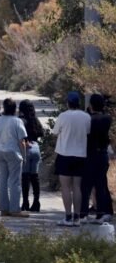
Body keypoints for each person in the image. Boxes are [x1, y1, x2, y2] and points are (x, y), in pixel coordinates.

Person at [54, 92, 91, 227]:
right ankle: (77, 217)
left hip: (64, 154)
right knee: (77, 186)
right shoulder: (86, 116)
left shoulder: (63, 116)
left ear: (68, 103)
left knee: (65, 187)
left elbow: (55, 132)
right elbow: (87, 132)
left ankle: (68, 217)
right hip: (80, 155)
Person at [0, 98, 29, 218]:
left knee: (3, 181)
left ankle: (4, 209)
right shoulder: (17, 121)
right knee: (14, 181)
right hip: (13, 153)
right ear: (14, 109)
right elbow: (21, 141)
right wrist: (24, 156)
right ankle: (15, 209)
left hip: (0, 152)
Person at [83, 94, 113, 224]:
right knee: (101, 183)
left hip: (89, 154)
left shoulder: (88, 120)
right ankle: (103, 212)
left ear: (91, 105)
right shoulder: (107, 119)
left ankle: (83, 213)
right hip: (103, 154)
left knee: (86, 185)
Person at [18, 100, 44, 212]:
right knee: (35, 177)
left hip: (26, 148)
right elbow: (41, 133)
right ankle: (36, 202)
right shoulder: (35, 120)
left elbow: (19, 135)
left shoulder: (21, 121)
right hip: (36, 148)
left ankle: (25, 202)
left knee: (25, 177)